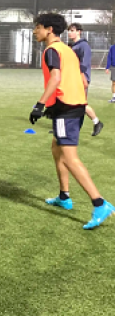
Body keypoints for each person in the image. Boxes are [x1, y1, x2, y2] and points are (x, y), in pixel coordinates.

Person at [30, 13, 114, 229]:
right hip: (76, 106)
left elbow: (56, 77)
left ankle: (100, 203)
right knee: (56, 148)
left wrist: (39, 105)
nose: (35, 31)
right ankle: (64, 196)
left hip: (65, 109)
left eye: (38, 27)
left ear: (49, 29)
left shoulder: (52, 51)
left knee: (69, 158)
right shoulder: (68, 50)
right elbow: (82, 81)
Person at [67, 23, 103, 136]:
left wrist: (83, 79)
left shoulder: (83, 45)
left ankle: (97, 122)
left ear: (79, 32)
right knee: (70, 103)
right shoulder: (74, 46)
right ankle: (66, 127)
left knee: (81, 103)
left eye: (72, 30)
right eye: (69, 30)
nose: (70, 33)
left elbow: (84, 63)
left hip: (81, 78)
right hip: (73, 78)